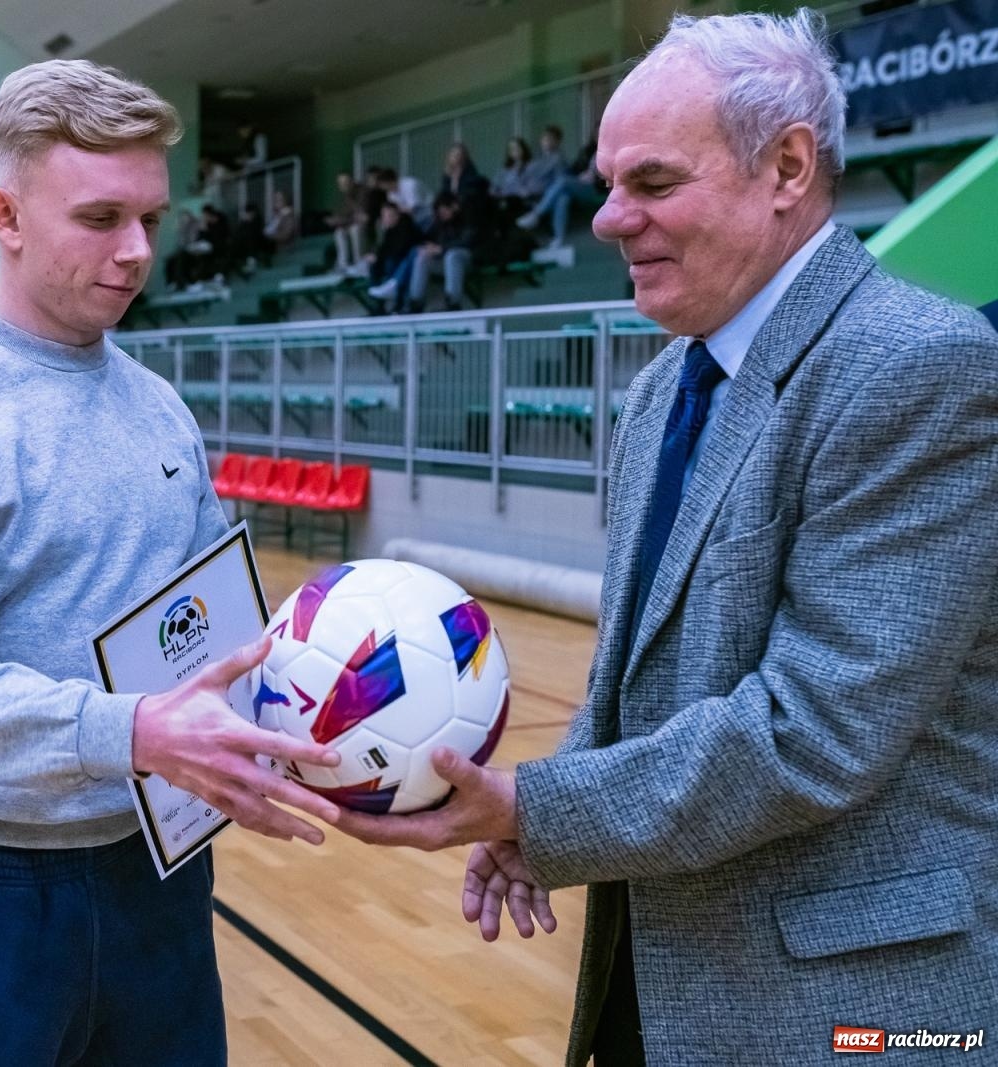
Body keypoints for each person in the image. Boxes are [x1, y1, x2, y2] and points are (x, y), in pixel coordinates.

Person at [335, 10, 998, 1066]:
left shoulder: (916, 368)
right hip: (658, 980)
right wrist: (533, 828)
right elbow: (633, 679)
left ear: (785, 167)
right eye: (605, 185)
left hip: (851, 1012)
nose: (606, 219)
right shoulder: (658, 392)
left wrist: (536, 805)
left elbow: (813, 728)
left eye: (648, 184)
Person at [0, 59, 342, 1066]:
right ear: (6, 214)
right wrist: (131, 728)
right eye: (101, 218)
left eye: (151, 216)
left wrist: (323, 719)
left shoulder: (159, 406)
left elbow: (211, 636)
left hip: (154, 872)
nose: (138, 250)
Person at [518, 137, 606, 249]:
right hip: (579, 183)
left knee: (563, 180)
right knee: (563, 197)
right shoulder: (588, 151)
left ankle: (537, 214)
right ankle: (559, 238)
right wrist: (580, 175)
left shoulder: (609, 151)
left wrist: (593, 175)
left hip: (595, 188)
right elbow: (575, 168)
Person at [327, 171, 367, 271]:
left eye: (346, 182)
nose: (344, 185)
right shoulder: (343, 196)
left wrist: (343, 220)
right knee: (339, 232)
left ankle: (360, 263)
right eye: (341, 183)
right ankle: (342, 265)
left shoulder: (362, 192)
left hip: (367, 224)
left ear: (352, 181)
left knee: (355, 229)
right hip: (350, 224)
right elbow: (343, 215)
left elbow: (360, 215)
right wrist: (337, 220)